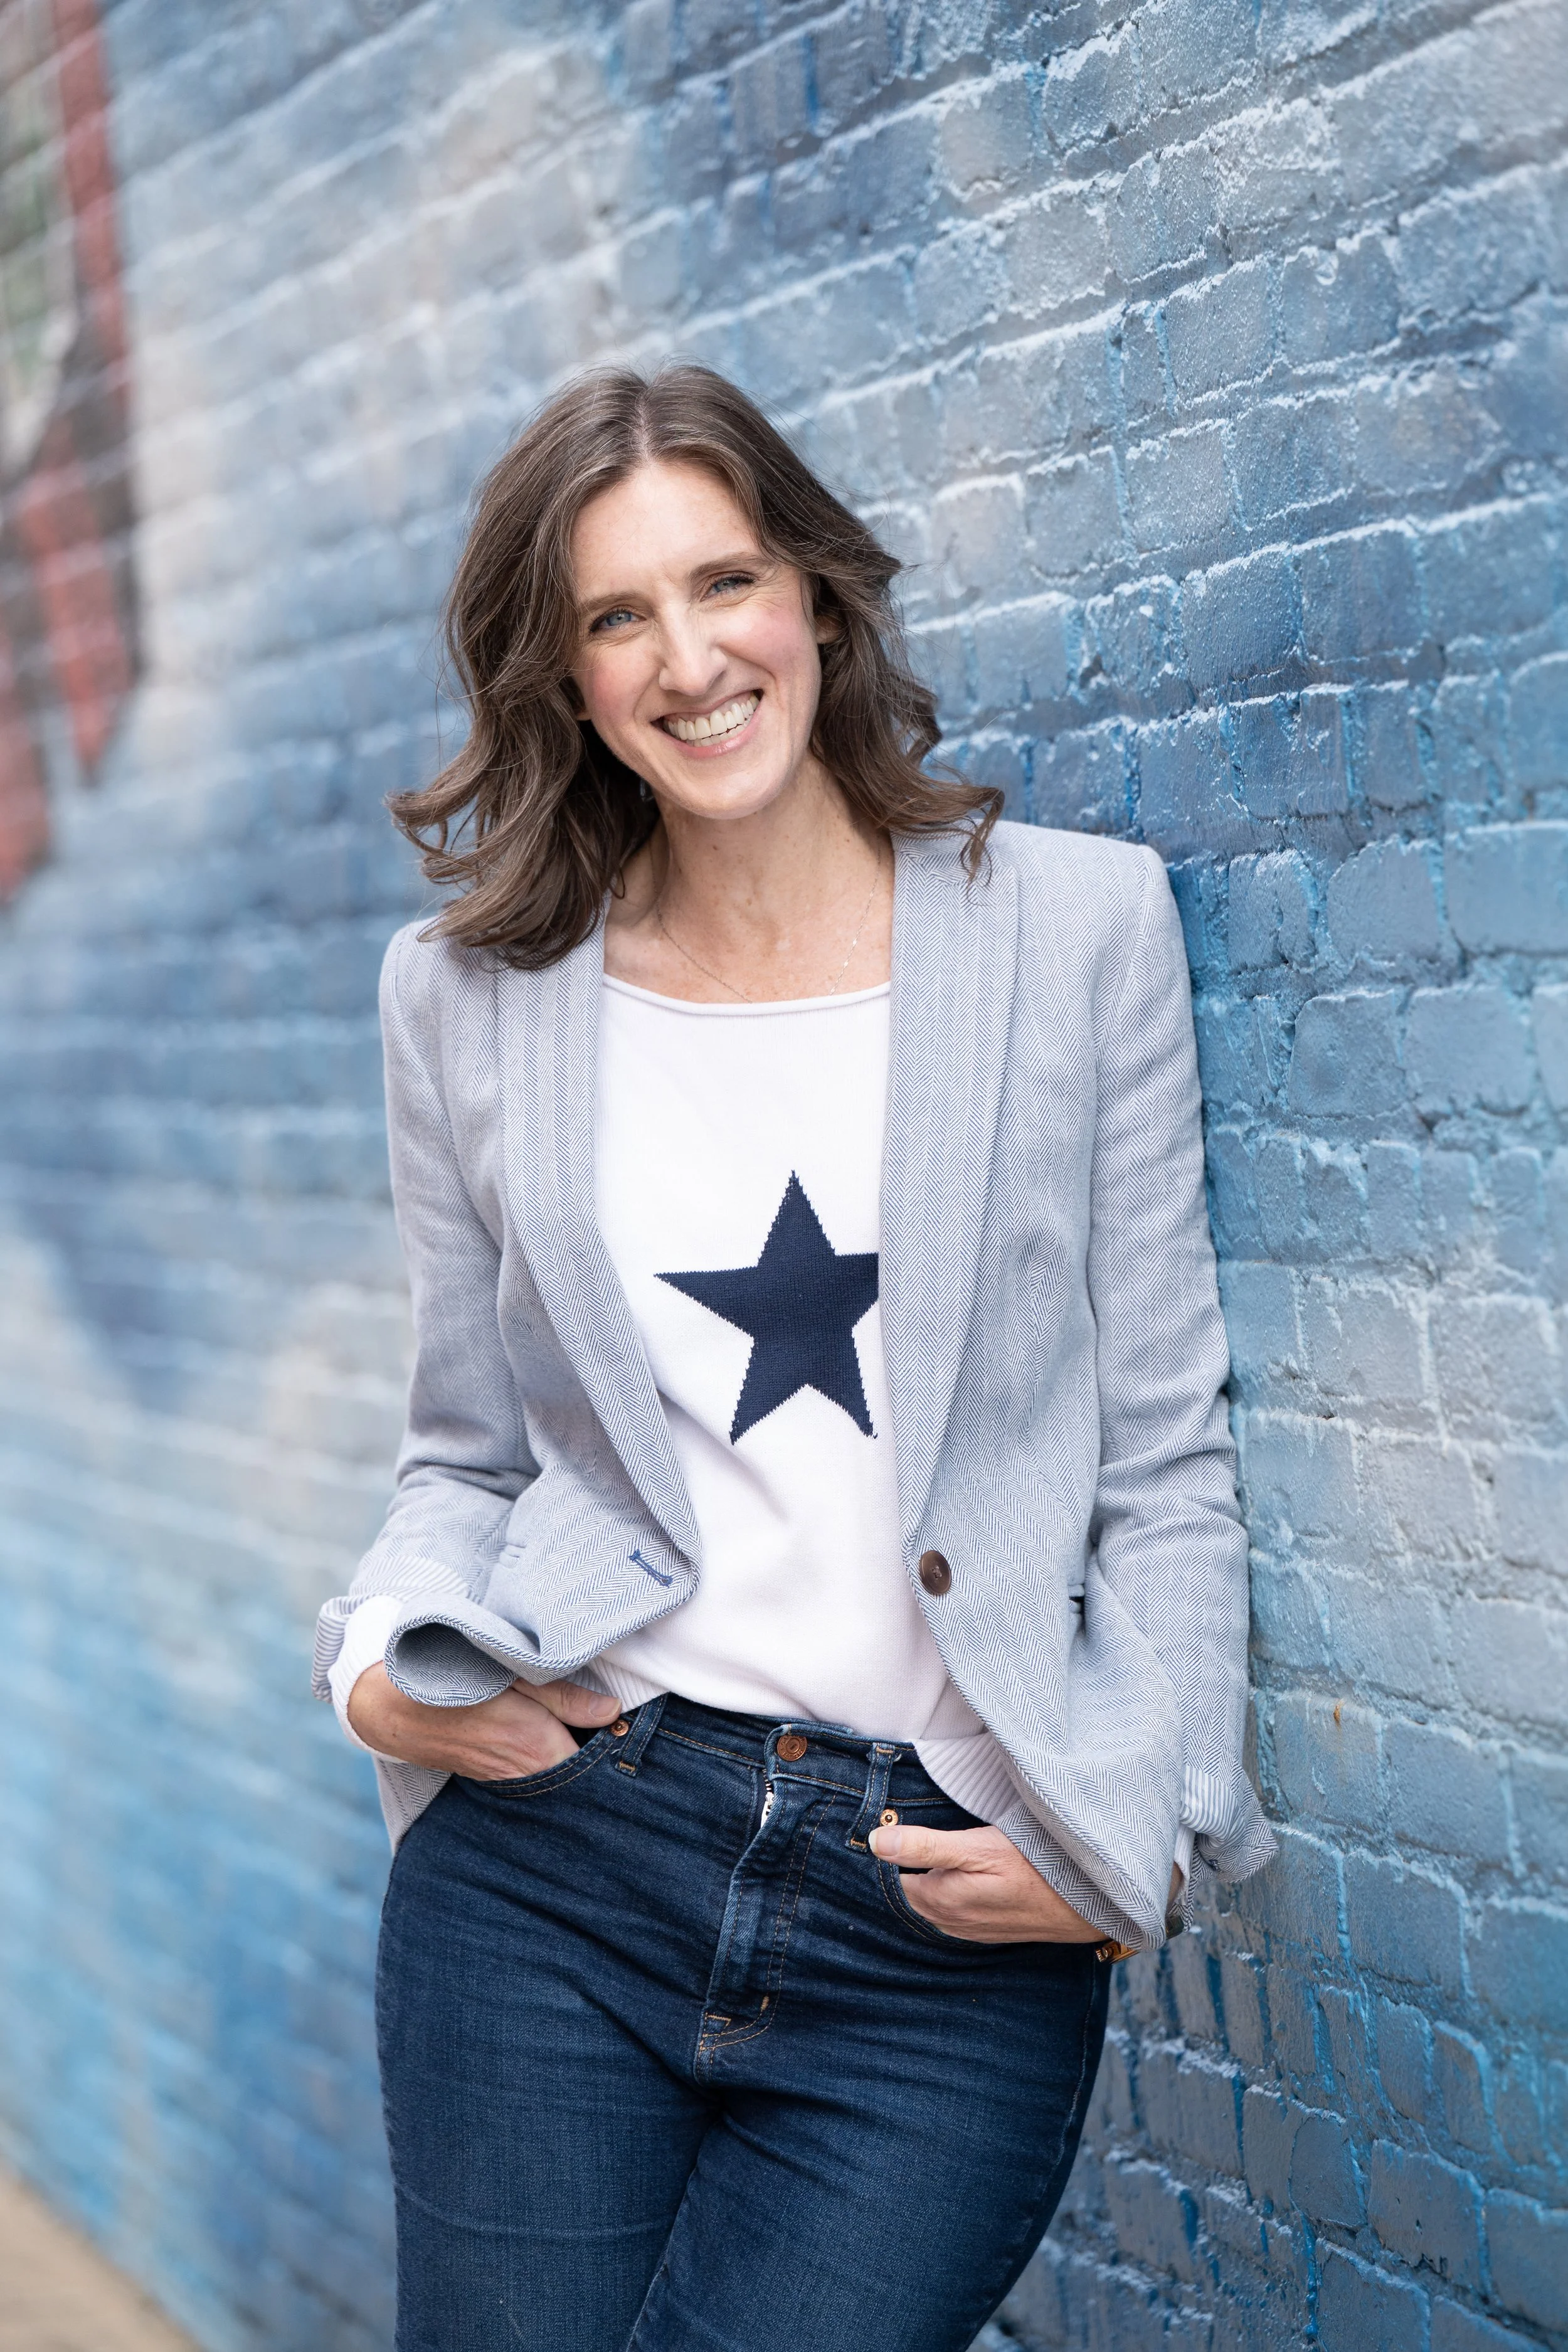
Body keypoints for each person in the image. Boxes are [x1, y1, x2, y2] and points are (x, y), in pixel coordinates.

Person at [313, 363, 1275, 2352]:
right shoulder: (467, 1001)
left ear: (817, 597)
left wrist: (1137, 1837)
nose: (689, 656)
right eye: (612, 615)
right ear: (560, 675)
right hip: (560, 1869)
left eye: (725, 578)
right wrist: (379, 1671)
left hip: (938, 1920)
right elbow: (463, 1456)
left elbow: (1165, 1459)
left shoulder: (1076, 932)